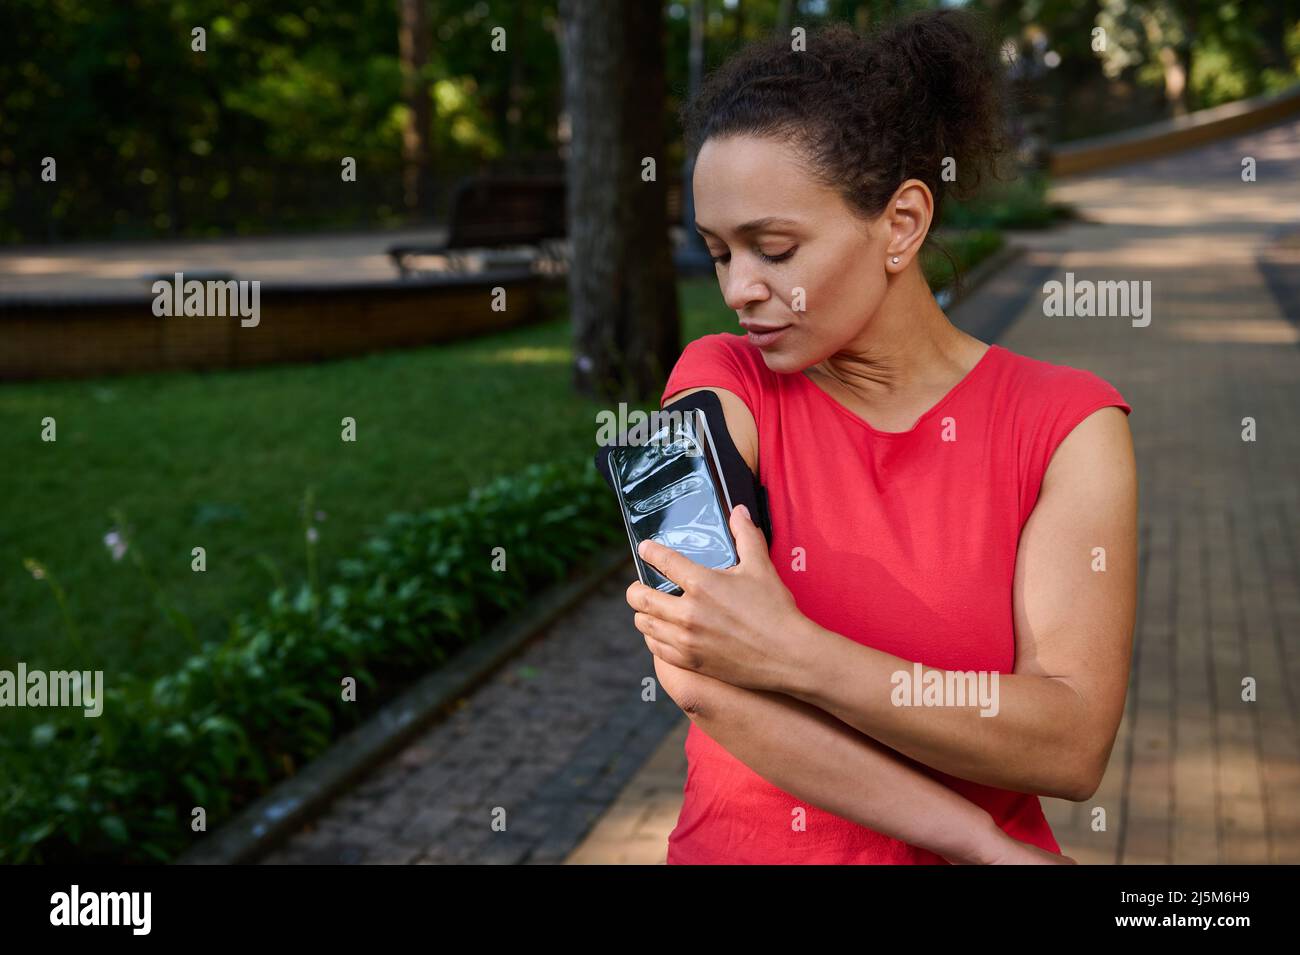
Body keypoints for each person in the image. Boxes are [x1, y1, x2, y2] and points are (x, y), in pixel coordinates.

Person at [624, 9, 1137, 864]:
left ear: (900, 224)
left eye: (775, 248)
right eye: (719, 252)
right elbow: (697, 672)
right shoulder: (715, 379)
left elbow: (1071, 741)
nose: (739, 288)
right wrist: (978, 838)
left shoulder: (1069, 424)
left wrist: (795, 655)